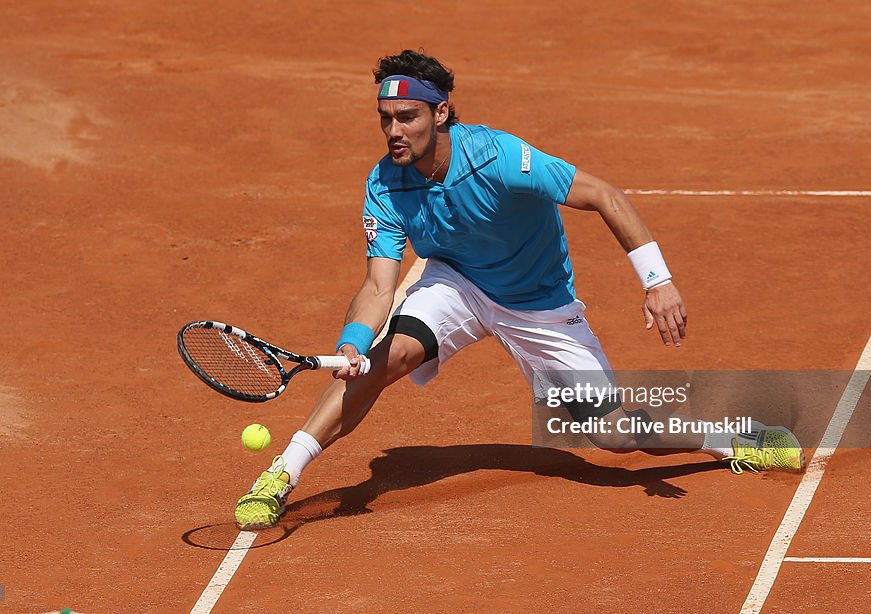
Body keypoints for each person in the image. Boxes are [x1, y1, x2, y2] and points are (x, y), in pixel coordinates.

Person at [234, 50, 804, 530]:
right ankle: (284, 472)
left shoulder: (500, 158)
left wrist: (659, 283)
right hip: (456, 284)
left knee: (616, 440)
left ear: (442, 112)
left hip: (539, 306)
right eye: (384, 118)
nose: (393, 131)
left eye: (407, 117)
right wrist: (356, 340)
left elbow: (605, 195)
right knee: (386, 357)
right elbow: (379, 284)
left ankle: (732, 438)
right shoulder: (384, 181)